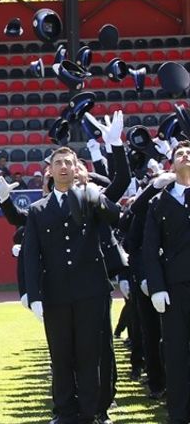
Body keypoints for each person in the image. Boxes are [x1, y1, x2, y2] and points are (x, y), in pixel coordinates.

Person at [23, 147, 121, 424]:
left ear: (76, 168)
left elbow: (116, 216)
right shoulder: (37, 210)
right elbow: (31, 254)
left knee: (91, 354)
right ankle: (64, 411)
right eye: (58, 163)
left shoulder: (89, 198)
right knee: (61, 355)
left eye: (69, 162)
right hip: (56, 294)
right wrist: (34, 294)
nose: (64, 167)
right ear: (50, 171)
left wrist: (91, 191)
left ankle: (92, 412)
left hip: (91, 291)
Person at [141, 141, 190, 424]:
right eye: (179, 154)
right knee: (175, 351)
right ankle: (179, 412)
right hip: (174, 288)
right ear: (172, 164)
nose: (185, 156)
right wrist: (157, 286)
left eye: (188, 153)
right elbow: (150, 248)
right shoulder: (159, 202)